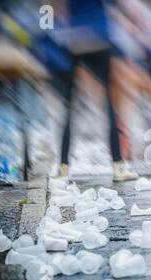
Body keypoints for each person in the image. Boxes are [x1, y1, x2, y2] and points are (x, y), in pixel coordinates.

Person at [53, 0, 138, 181]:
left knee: (69, 107)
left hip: (74, 38)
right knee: (108, 104)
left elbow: (54, 6)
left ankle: (63, 167)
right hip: (99, 35)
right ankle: (119, 168)